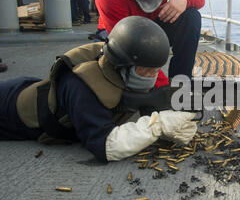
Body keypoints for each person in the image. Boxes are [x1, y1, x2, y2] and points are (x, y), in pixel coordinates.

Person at [0, 16, 197, 163]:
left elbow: (148, 99)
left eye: (156, 70)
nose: (152, 77)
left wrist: (171, 125)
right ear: (122, 64)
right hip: (8, 111)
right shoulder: (83, 84)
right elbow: (105, 146)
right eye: (145, 71)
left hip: (28, 85)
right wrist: (159, 125)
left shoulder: (123, 66)